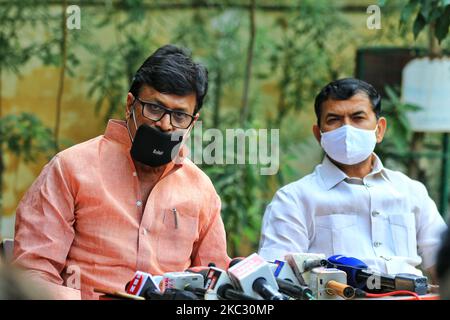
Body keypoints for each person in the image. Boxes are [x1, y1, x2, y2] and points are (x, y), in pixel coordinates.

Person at [12, 44, 230, 299]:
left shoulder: (200, 189)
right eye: (155, 108)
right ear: (130, 105)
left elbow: (217, 281)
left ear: (193, 121)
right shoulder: (71, 168)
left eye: (180, 116)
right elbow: (32, 277)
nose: (165, 124)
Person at [259, 78, 447, 280]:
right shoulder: (293, 200)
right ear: (318, 134)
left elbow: (444, 265)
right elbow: (277, 277)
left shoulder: (411, 192)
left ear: (380, 129)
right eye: (334, 120)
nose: (346, 129)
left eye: (358, 118)